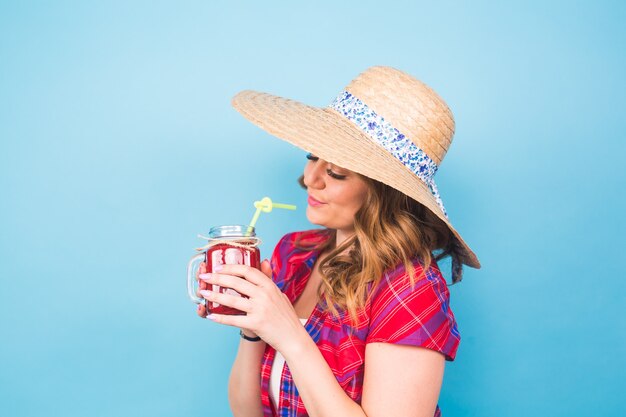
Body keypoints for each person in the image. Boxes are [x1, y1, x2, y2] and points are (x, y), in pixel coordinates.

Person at [196, 66, 481, 417]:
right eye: (312, 156)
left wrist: (288, 333)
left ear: (383, 193)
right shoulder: (295, 252)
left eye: (336, 172)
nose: (310, 179)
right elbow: (247, 412)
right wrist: (253, 329)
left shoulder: (411, 289)